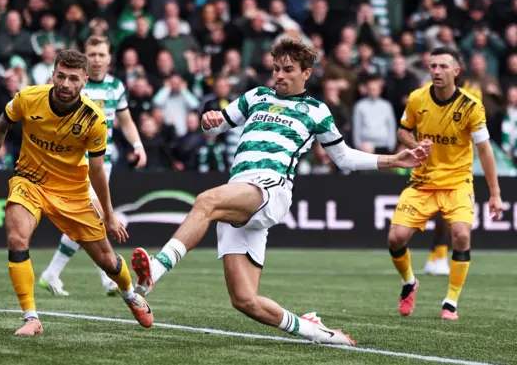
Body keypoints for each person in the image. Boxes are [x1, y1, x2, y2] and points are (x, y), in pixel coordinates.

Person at [130, 38, 428, 346]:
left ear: (306, 73)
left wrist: (394, 159)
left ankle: (155, 268)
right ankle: (317, 331)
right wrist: (209, 120)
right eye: (276, 69)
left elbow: (344, 158)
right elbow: (215, 127)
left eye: (288, 70)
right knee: (245, 300)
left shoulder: (316, 110)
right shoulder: (257, 95)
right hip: (240, 191)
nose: (279, 75)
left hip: (271, 188)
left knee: (206, 200)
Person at [0, 49, 153, 336]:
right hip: (29, 181)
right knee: (16, 237)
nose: (66, 84)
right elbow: (1, 126)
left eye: (73, 78)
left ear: (84, 82)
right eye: (61, 76)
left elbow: (96, 172)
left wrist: (108, 215)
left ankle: (131, 294)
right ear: (52, 75)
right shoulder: (28, 97)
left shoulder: (94, 119)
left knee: (108, 261)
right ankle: (31, 318)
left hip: (73, 192)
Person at [390, 47, 503, 321]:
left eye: (442, 66)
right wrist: (416, 145)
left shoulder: (471, 106)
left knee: (462, 235)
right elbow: (402, 130)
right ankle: (409, 282)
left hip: (457, 183)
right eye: (433, 66)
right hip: (422, 181)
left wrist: (495, 193)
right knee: (395, 239)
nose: (436, 71)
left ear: (456, 71)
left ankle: (450, 303)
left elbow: (485, 150)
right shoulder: (418, 98)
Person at [39, 36, 147, 297]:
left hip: (102, 164)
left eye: (101, 54)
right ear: (85, 58)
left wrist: (138, 145)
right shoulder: (71, 84)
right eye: (92, 54)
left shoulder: (116, 87)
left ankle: (52, 274)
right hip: (75, 163)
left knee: (85, 222)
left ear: (109, 58)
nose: (97, 59)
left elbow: (126, 120)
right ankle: (109, 278)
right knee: (95, 217)